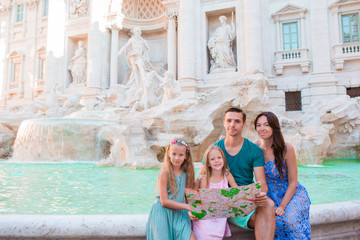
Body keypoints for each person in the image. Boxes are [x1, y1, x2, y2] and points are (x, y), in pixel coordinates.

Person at [196, 107, 275, 240]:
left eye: (237, 121)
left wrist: (261, 194)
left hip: (246, 198)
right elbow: (199, 179)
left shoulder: (254, 150)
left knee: (268, 204)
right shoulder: (213, 149)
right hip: (221, 201)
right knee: (264, 221)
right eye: (229, 121)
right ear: (224, 122)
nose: (232, 124)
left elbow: (262, 183)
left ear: (243, 124)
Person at [254, 112, 311, 239]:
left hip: (292, 193)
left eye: (266, 125)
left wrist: (282, 206)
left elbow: (293, 182)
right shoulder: (255, 146)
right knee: (276, 223)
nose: (262, 128)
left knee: (289, 221)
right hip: (270, 195)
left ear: (274, 127)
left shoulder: (286, 148)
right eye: (258, 125)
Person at [146, 139, 197, 240]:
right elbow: (164, 201)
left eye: (181, 155)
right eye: (174, 154)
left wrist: (191, 211)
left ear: (186, 156)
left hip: (179, 213)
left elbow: (187, 197)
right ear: (168, 154)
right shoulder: (164, 173)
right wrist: (187, 207)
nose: (177, 158)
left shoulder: (188, 173)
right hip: (162, 212)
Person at [192, 145, 238, 240]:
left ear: (223, 159)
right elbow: (204, 200)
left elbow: (237, 191)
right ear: (208, 163)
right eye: (212, 159)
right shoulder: (205, 178)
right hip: (206, 217)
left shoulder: (227, 175)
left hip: (220, 217)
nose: (217, 161)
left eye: (219, 158)